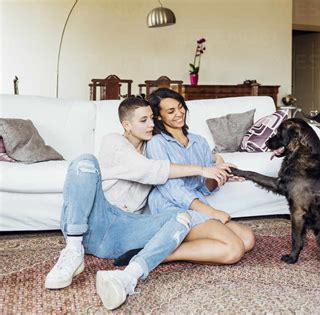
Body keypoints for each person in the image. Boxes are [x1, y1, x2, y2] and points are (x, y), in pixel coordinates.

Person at [44, 97, 236, 310]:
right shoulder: (113, 142)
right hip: (96, 221)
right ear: (127, 125)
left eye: (152, 119)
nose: (151, 125)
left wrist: (216, 160)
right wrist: (201, 170)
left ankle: (128, 277)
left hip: (124, 233)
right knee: (84, 162)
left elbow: (180, 158)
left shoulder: (151, 147)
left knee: (182, 217)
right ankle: (72, 250)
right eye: (143, 120)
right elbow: (150, 170)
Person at [146, 88, 255, 255]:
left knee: (247, 239)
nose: (179, 113)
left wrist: (220, 174)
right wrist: (211, 212)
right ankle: (157, 254)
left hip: (197, 205)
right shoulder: (157, 143)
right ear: (159, 116)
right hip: (169, 206)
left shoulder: (199, 142)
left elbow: (205, 188)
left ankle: (166, 247)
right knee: (234, 249)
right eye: (171, 111)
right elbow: (171, 188)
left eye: (180, 106)